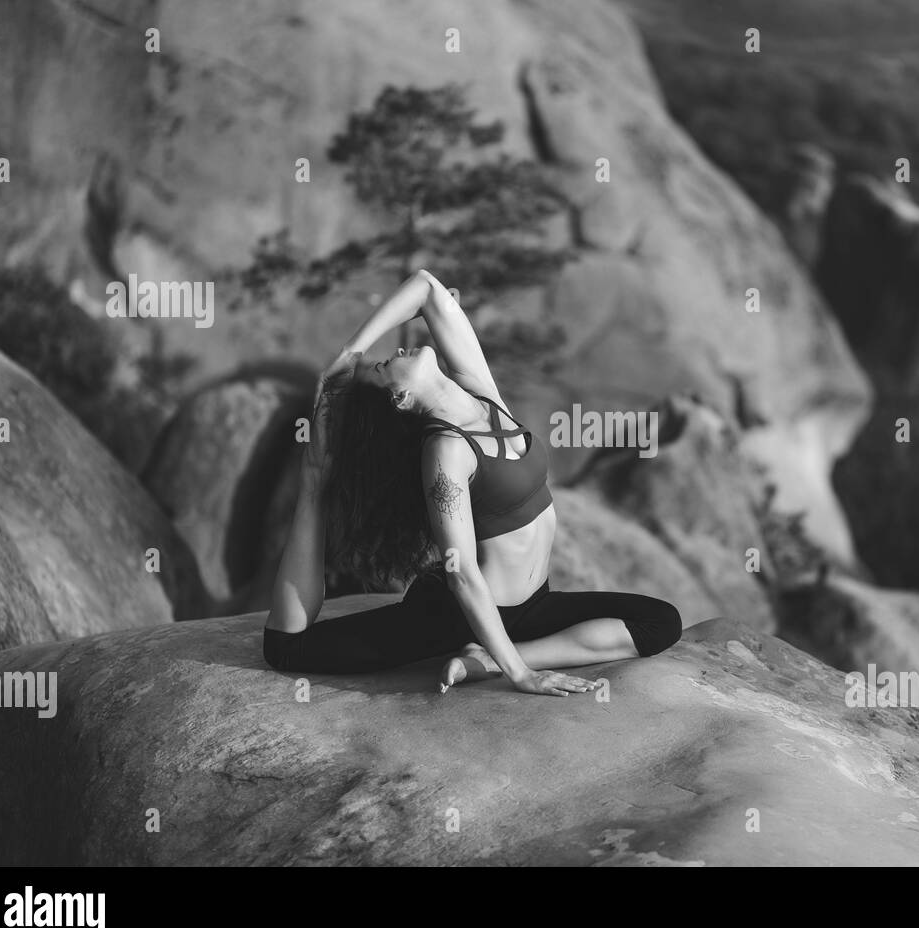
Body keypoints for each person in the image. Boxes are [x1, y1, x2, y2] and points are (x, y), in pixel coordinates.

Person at [262, 269, 683, 696]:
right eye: (387, 365)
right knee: (287, 650)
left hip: (535, 603)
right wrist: (521, 676)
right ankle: (314, 484)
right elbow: (461, 570)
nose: (397, 350)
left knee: (661, 622)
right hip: (462, 614)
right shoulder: (447, 451)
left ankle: (489, 657)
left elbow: (426, 288)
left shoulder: (481, 395)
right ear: (401, 399)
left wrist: (351, 352)